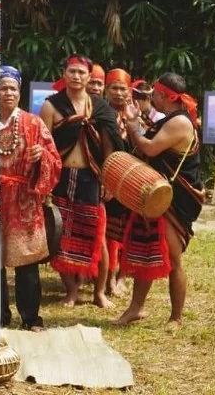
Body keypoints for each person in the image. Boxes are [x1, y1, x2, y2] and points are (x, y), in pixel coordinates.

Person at [116, 73, 205, 327]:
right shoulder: (172, 119)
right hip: (158, 193)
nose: (150, 97)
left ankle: (176, 318)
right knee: (146, 249)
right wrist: (136, 124)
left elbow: (150, 148)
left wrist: (133, 127)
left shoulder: (179, 123)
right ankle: (136, 308)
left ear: (164, 96)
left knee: (173, 258)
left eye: (154, 93)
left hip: (174, 199)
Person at [40, 54, 123, 308]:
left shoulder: (100, 109)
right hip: (61, 177)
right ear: (63, 74)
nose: (76, 77)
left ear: (90, 77)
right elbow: (44, 146)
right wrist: (45, 182)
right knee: (60, 236)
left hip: (91, 178)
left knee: (97, 237)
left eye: (81, 73)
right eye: (72, 71)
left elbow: (111, 146)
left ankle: (99, 293)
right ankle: (72, 290)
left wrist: (109, 180)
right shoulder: (51, 106)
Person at [0, 66, 62, 331]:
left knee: (27, 263)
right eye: (2, 88)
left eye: (12, 88)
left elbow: (55, 160)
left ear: (19, 91)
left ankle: (30, 317)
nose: (7, 93)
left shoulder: (33, 123)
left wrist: (41, 158)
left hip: (24, 199)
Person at [103, 67, 132, 298]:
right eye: (114, 88)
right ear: (106, 90)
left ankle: (124, 275)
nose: (119, 93)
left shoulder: (137, 115)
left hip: (134, 181)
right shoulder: (102, 114)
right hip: (111, 179)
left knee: (130, 230)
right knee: (111, 232)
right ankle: (110, 277)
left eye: (123, 88)